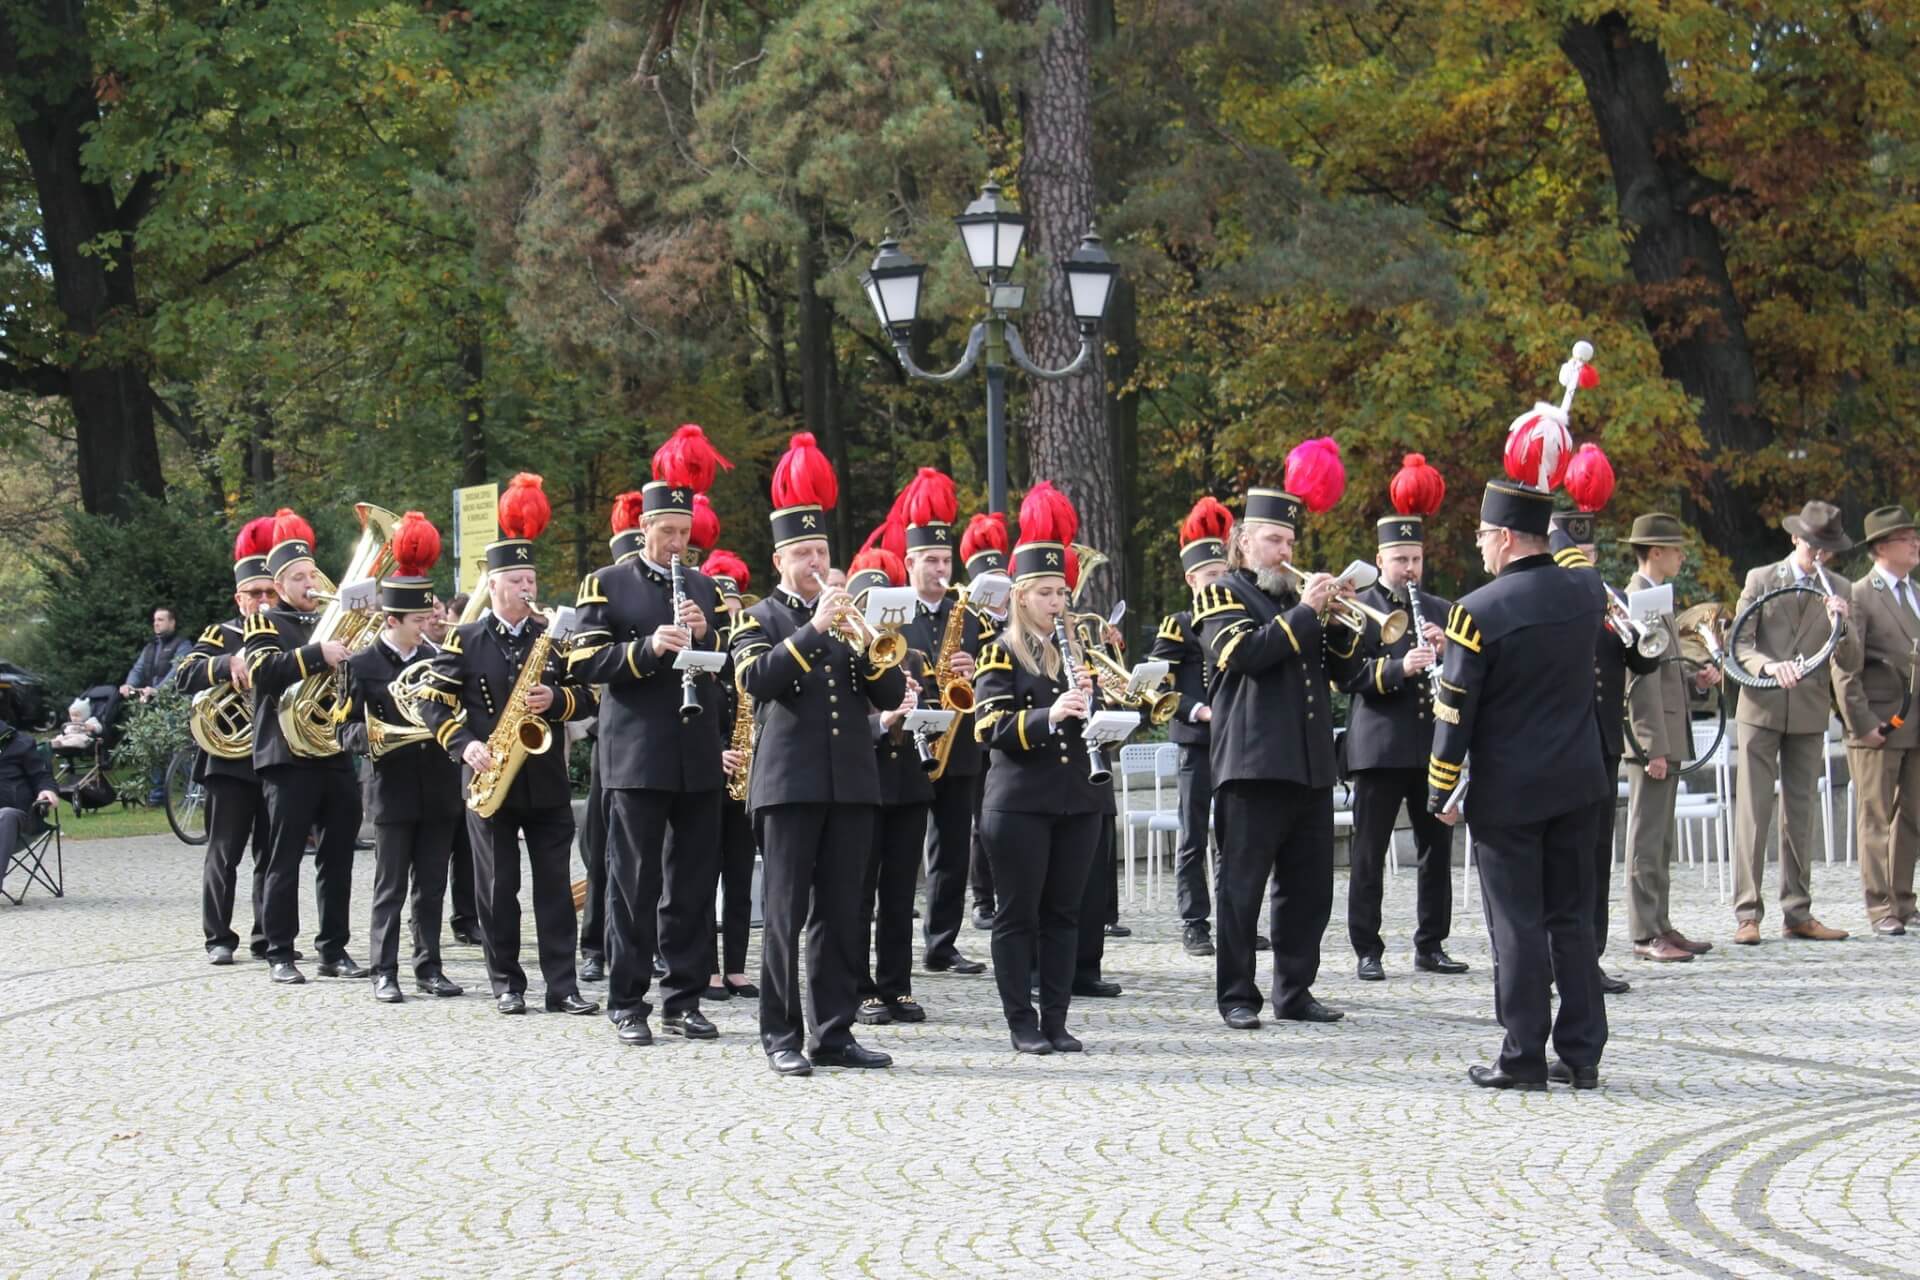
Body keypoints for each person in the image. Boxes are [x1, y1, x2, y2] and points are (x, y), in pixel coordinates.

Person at [728, 433, 907, 1076]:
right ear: (779, 559)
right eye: (802, 553)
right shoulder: (757, 618)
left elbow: (886, 688)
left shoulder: (852, 618)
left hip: (852, 784)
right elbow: (757, 680)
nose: (813, 562)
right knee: (784, 915)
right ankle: (780, 1034)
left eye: (821, 552)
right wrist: (816, 629)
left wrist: (872, 644)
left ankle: (834, 1031)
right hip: (788, 785)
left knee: (839, 914)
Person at [1431, 475, 1611, 1090]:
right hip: (1580, 781)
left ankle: (1524, 1054)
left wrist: (1440, 787)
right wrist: (1546, 499)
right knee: (1572, 920)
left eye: (1484, 535)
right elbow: (1562, 550)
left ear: (1506, 538)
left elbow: (1455, 711)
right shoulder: (1586, 590)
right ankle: (1583, 1053)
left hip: (1509, 792)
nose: (1479, 546)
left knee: (1517, 924)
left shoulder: (1476, 611)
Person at [414, 474, 600, 1017]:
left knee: (553, 889)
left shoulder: (554, 636)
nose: (526, 588)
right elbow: (431, 703)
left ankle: (562, 986)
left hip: (544, 778)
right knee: (497, 890)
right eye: (515, 579)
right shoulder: (464, 638)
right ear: (492, 585)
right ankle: (506, 983)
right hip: (489, 777)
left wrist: (557, 700)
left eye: (530, 578)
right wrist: (464, 745)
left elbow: (588, 698)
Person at [569, 428, 729, 1046]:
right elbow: (584, 661)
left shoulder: (706, 589)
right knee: (634, 881)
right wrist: (647, 647)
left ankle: (683, 997)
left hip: (697, 753)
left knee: (692, 881)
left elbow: (726, 669)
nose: (678, 543)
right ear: (645, 530)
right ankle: (627, 998)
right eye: (668, 532)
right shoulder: (606, 582)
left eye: (685, 534)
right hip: (636, 753)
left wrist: (704, 636)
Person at [1194, 440, 1358, 1031]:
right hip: (1252, 764)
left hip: (1310, 764)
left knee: (1309, 891)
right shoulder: (1219, 593)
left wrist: (1344, 620)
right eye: (1273, 541)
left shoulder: (1299, 602)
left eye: (1290, 543)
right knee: (1241, 889)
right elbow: (1243, 654)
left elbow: (1341, 673)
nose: (1286, 552)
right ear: (1244, 543)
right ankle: (1237, 993)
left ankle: (1295, 989)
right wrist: (1309, 612)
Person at [972, 483, 1108, 1054]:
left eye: (1062, 592)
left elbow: (1094, 729)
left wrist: (1103, 714)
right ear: (1022, 597)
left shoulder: (1077, 651)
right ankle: (1021, 1023)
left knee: (1064, 914)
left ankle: (1057, 1018)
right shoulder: (998, 651)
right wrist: (1049, 713)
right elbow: (988, 728)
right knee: (1017, 915)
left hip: (1078, 799)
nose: (1058, 602)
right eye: (1047, 593)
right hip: (1020, 802)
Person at [1342, 458, 1467, 982]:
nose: (1409, 569)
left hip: (1429, 746)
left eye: (1415, 558)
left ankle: (1430, 944)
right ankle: (1367, 948)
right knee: (1369, 852)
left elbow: (1466, 677)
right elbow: (1348, 675)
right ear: (1380, 559)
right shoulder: (1359, 606)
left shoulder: (1439, 606)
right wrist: (1399, 667)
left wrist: (1447, 652)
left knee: (1436, 849)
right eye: (1399, 559)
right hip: (1377, 748)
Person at [1546, 449, 1661, 996]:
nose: (1584, 562)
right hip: (1559, 744)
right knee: (1559, 856)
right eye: (1575, 552)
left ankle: (1589, 957)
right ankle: (1551, 958)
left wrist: (1644, 633)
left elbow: (1642, 661)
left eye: (1590, 552)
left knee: (1595, 855)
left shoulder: (1609, 597)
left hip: (1602, 742)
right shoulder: (1547, 599)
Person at [338, 513, 464, 1004]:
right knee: (390, 886)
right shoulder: (363, 664)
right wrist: (373, 738)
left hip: (437, 785)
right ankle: (383, 970)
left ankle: (428, 967)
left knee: (431, 885)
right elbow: (344, 727)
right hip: (390, 787)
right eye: (417, 622)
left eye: (427, 620)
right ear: (391, 620)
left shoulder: (437, 661)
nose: (425, 628)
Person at [1729, 500, 1862, 944]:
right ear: (1795, 539)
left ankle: (1798, 911)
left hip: (1807, 711)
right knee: (1753, 811)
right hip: (1762, 708)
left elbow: (1852, 660)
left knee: (1800, 814)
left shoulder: (1840, 587)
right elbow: (1739, 644)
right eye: (1813, 546)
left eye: (1827, 548)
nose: (1819, 556)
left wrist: (1841, 625)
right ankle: (1747, 914)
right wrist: (1768, 667)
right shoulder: (1762, 579)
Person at [243, 510, 363, 986]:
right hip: (286, 757)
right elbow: (262, 673)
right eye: (298, 577)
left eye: (312, 574)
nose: (309, 583)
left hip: (331, 751)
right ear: (278, 584)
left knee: (339, 855)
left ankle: (334, 948)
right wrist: (318, 654)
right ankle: (279, 951)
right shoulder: (265, 623)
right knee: (284, 854)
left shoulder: (333, 622)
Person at [893, 469, 988, 977]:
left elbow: (994, 671)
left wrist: (972, 667)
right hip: (910, 740)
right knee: (905, 849)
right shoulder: (892, 612)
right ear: (909, 562)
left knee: (953, 847)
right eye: (929, 559)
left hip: (960, 742)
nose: (938, 567)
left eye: (945, 560)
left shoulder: (968, 614)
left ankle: (943, 943)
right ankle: (893, 948)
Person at [174, 517, 277, 965]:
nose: (264, 600)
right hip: (229, 761)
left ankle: (266, 935)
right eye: (256, 593)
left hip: (277, 754)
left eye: (270, 592)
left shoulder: (288, 632)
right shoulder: (223, 634)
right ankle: (218, 936)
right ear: (239, 598)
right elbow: (183, 675)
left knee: (271, 854)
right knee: (224, 851)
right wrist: (226, 663)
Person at [1621, 513, 1720, 962]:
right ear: (1655, 552)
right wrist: (1651, 745)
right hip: (1652, 739)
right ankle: (1645, 932)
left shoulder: (1656, 597)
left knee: (1661, 838)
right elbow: (1639, 683)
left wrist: (1696, 681)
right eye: (1676, 549)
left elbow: (1662, 674)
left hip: (1666, 732)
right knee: (1646, 836)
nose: (1682, 556)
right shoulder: (1640, 598)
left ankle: (1659, 922)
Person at [846, 547, 932, 1028]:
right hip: (867, 784)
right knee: (859, 893)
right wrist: (885, 719)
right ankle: (860, 989)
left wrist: (927, 712)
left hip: (909, 786)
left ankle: (897, 985)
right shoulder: (848, 658)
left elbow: (937, 710)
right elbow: (843, 722)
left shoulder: (913, 656)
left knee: (900, 894)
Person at [1150, 498, 1234, 958]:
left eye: (1224, 573)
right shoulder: (1178, 624)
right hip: (1196, 741)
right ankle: (1194, 923)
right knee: (1192, 835)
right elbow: (1155, 688)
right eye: (1210, 576)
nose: (1218, 582)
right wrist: (1198, 711)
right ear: (1191, 580)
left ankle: (1232, 919)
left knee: (1233, 836)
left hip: (1234, 743)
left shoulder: (1239, 618)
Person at [1834, 506, 1920, 935]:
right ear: (1882, 547)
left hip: (1915, 722)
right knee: (1876, 816)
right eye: (1907, 538)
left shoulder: (1916, 592)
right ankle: (1880, 906)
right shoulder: (1859, 595)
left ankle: (1904, 899)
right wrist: (1861, 722)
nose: (1916, 544)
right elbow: (1845, 666)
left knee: (1913, 815)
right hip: (1881, 722)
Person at [577, 489, 650, 983]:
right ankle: (594, 943)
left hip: (650, 734)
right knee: (604, 843)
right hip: (614, 732)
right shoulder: (611, 587)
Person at [701, 549, 759, 1001]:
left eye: (737, 611)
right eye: (726, 614)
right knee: (703, 876)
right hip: (707, 779)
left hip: (748, 780)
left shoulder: (748, 657)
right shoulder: (704, 663)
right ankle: (708, 967)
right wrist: (716, 751)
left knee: (740, 876)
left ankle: (737, 965)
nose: (733, 620)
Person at [958, 512, 1010, 930]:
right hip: (976, 728)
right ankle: (982, 897)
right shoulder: (967, 622)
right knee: (981, 819)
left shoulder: (1015, 621)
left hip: (1012, 729)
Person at [440, 591, 479, 946]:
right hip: (434, 765)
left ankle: (468, 917)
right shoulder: (449, 651)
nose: (431, 621)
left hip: (466, 767)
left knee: (467, 848)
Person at [122, 604, 190, 803]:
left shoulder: (183, 645)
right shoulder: (151, 647)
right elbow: (138, 668)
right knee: (153, 748)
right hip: (153, 705)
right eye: (155, 620)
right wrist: (129, 684)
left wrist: (158, 690)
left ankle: (194, 792)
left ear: (172, 622)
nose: (156, 624)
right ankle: (157, 796)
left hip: (175, 704)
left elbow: (178, 670)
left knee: (179, 747)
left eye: (161, 620)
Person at [0, 717, 60, 879]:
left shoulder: (21, 744)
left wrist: (47, 790)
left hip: (19, 821)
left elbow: (41, 775)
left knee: (6, 815)